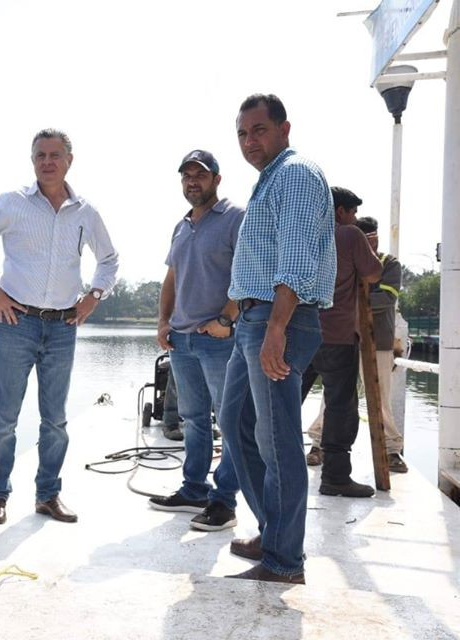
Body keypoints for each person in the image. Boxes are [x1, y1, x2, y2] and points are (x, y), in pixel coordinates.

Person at [0, 128, 119, 525]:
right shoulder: (12, 203)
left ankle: (48, 495)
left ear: (69, 160)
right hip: (17, 323)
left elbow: (109, 260)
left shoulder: (86, 213)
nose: (47, 162)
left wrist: (93, 297)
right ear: (33, 162)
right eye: (40, 156)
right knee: (5, 418)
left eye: (54, 155)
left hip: (63, 326)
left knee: (55, 419)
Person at [220, 93, 336, 585]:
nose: (250, 141)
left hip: (278, 320)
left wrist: (276, 329)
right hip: (254, 320)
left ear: (284, 129)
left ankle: (285, 560)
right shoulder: (269, 181)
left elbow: (296, 259)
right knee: (236, 421)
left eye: (259, 130)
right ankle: (273, 532)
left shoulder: (295, 174)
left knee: (278, 441)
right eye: (243, 133)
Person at [149, 150, 244, 532]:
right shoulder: (181, 225)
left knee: (230, 420)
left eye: (200, 175)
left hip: (218, 339)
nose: (193, 181)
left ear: (216, 180)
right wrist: (162, 321)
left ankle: (224, 501)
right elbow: (172, 276)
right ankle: (194, 489)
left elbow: (249, 271)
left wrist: (226, 319)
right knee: (192, 419)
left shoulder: (235, 218)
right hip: (183, 340)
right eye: (187, 175)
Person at [300, 187, 381, 498]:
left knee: (283, 403)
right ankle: (335, 476)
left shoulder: (299, 234)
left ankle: (271, 469)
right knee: (341, 409)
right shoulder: (349, 235)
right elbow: (373, 273)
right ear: (340, 211)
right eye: (352, 213)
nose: (355, 219)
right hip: (337, 338)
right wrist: (369, 247)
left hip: (298, 336)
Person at [357, 216, 407, 472]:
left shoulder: (390, 264)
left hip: (380, 340)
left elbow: (386, 299)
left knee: (381, 397)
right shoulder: (348, 261)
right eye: (367, 240)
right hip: (347, 338)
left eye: (374, 238)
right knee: (331, 396)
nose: (372, 243)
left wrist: (351, 305)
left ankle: (391, 449)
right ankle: (319, 443)